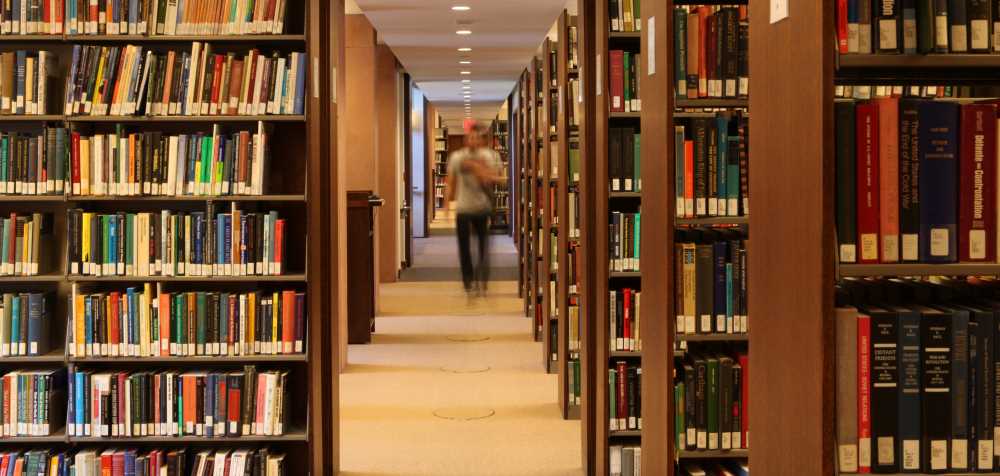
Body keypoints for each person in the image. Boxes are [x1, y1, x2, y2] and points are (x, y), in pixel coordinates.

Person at [445, 121, 504, 297]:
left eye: (476, 138)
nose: (472, 140)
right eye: (470, 137)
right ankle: (468, 281)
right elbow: (451, 181)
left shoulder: (489, 156)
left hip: (482, 207)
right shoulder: (457, 157)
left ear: (480, 140)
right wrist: (447, 205)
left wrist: (479, 170)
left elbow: (499, 179)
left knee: (483, 247)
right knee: (464, 248)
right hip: (463, 208)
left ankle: (482, 278)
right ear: (465, 139)